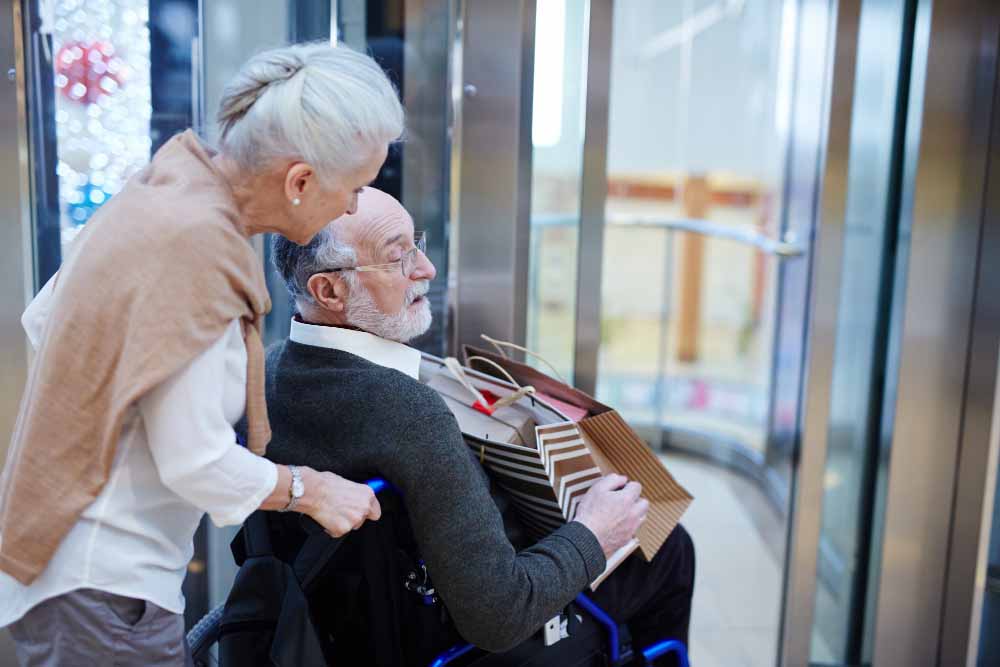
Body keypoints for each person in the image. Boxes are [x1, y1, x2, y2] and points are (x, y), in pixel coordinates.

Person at [0, 43, 403, 666]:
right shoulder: (196, 255)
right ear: (299, 181)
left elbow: (42, 319)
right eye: (353, 188)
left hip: (61, 577)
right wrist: (314, 490)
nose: (352, 207)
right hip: (102, 597)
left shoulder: (160, 192)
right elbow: (196, 463)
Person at [264, 187, 695, 662]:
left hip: (338, 626)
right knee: (670, 548)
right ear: (330, 291)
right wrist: (594, 531)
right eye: (397, 258)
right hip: (466, 639)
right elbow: (499, 613)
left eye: (417, 245)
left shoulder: (269, 373)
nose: (425, 269)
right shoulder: (410, 412)